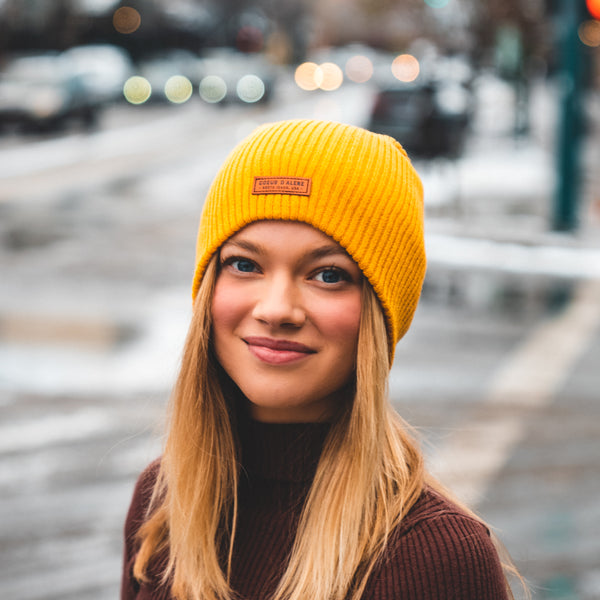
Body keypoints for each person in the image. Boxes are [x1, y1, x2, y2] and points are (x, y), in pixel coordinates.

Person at [121, 119, 526, 600]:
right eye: (244, 265)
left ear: (380, 313)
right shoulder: (164, 498)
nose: (275, 310)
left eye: (328, 274)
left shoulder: (433, 554)